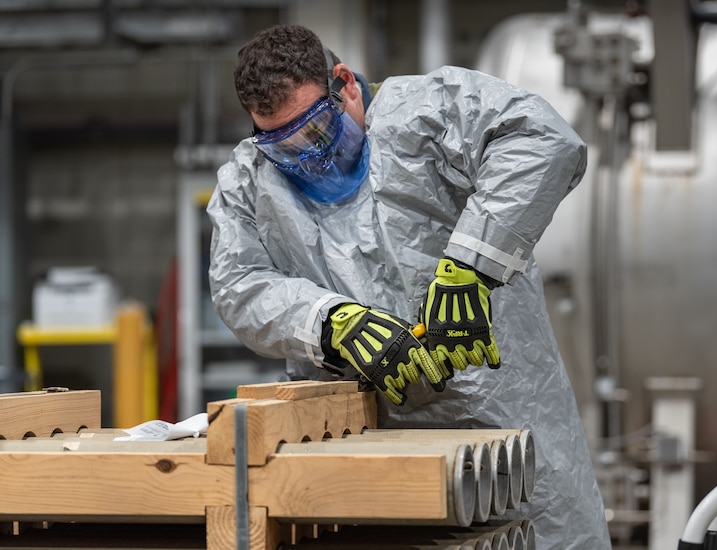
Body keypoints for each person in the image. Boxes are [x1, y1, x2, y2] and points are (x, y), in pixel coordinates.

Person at [207, 23, 611, 548]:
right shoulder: (248, 182)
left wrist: (471, 264)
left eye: (316, 131)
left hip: (509, 421)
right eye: (283, 146)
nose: (309, 157)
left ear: (345, 84)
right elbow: (239, 283)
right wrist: (328, 321)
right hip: (370, 444)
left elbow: (543, 138)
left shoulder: (427, 112)